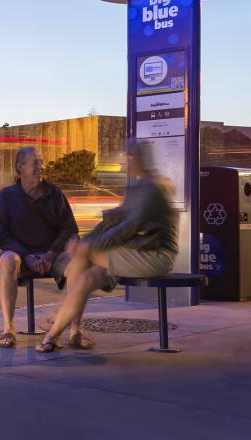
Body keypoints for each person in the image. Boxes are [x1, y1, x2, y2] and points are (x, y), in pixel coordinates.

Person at [36, 142, 177, 353]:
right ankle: (67, 333)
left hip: (155, 255)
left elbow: (129, 227)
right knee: (85, 279)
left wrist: (87, 245)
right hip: (132, 252)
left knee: (84, 253)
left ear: (140, 158)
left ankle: (55, 325)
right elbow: (113, 221)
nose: (126, 162)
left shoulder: (152, 188)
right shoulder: (137, 187)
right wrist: (87, 239)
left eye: (129, 157)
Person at [0, 147, 79, 348]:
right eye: (35, 162)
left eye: (41, 162)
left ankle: (76, 330)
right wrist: (27, 256)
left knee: (78, 261)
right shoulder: (6, 196)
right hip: (21, 256)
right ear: (20, 167)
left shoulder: (54, 194)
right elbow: (2, 236)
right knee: (6, 259)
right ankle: (8, 328)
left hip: (53, 254)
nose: (41, 166)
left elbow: (70, 230)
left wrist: (50, 254)